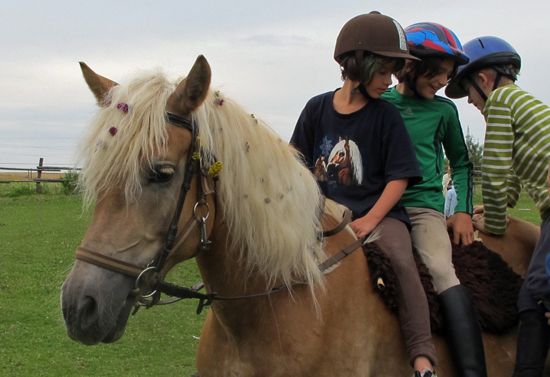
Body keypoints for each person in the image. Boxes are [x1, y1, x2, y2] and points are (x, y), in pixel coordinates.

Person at [290, 11, 437, 377]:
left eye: (392, 73)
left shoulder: (386, 116)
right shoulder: (316, 108)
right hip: (323, 215)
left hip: (380, 215)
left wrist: (371, 219)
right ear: (359, 63)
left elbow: (399, 177)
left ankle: (422, 357)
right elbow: (299, 167)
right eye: (385, 71)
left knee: (402, 263)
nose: (390, 81)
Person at [382, 23, 488, 377]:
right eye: (437, 73)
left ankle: (473, 371)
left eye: (447, 74)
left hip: (423, 207)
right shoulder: (380, 104)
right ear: (409, 66)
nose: (443, 81)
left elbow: (461, 162)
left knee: (442, 271)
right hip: (377, 206)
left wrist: (460, 212)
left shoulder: (444, 112)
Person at [446, 35, 550, 377]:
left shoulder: (501, 101)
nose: (472, 102)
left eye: (470, 92)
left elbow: (494, 169)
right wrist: (495, 208)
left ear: (485, 80)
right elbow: (513, 179)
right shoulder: (524, 104)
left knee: (536, 296)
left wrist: (492, 224)